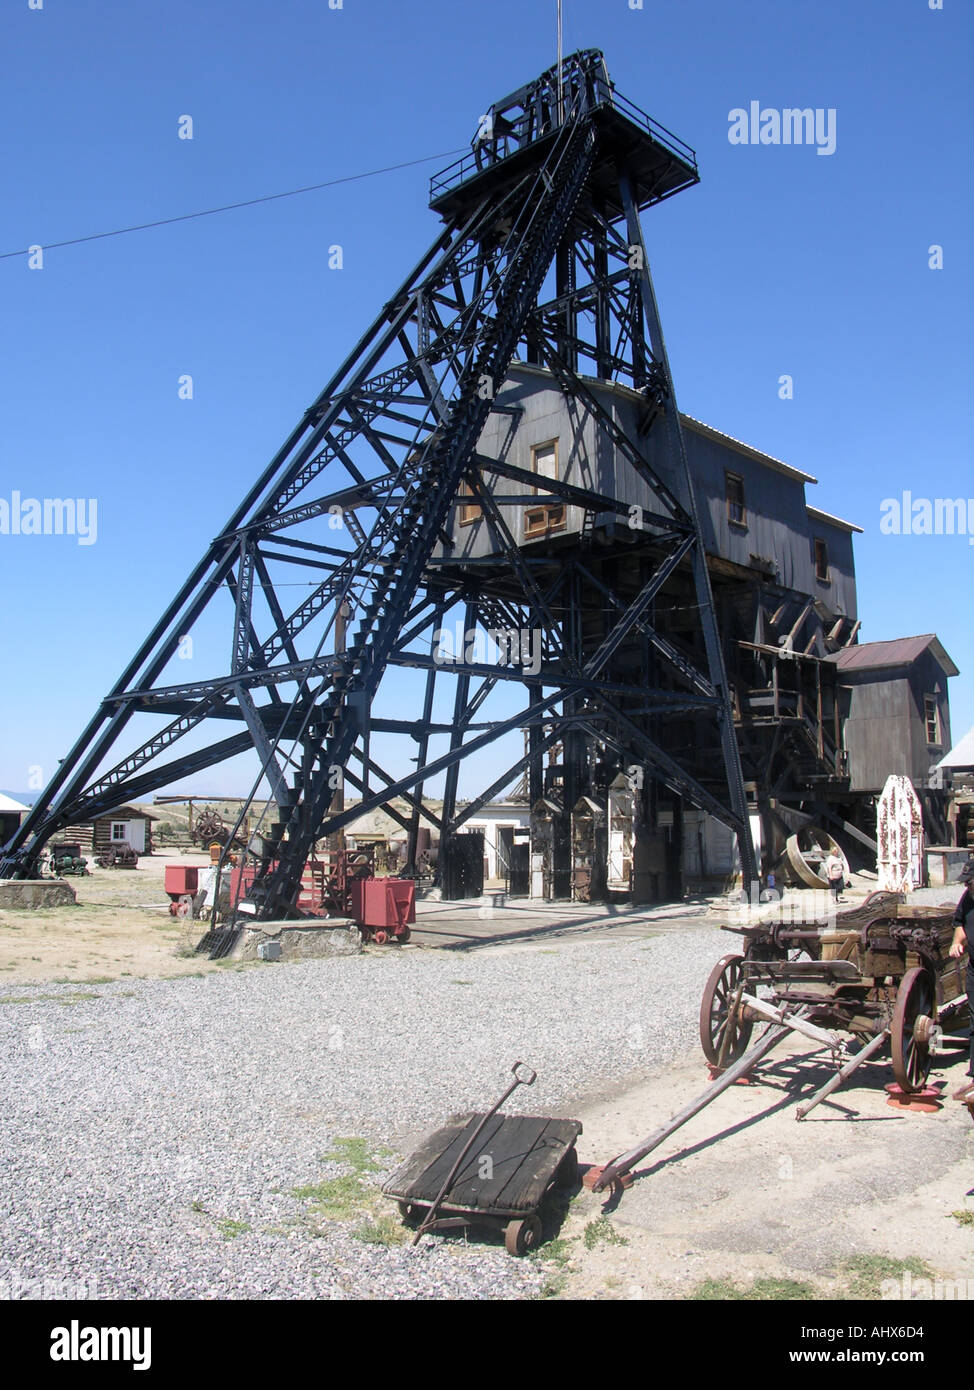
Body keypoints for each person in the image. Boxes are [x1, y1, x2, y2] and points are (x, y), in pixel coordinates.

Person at [949, 859, 974, 1100]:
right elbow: (961, 924)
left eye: (970, 881)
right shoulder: (968, 898)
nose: (967, 886)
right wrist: (957, 942)